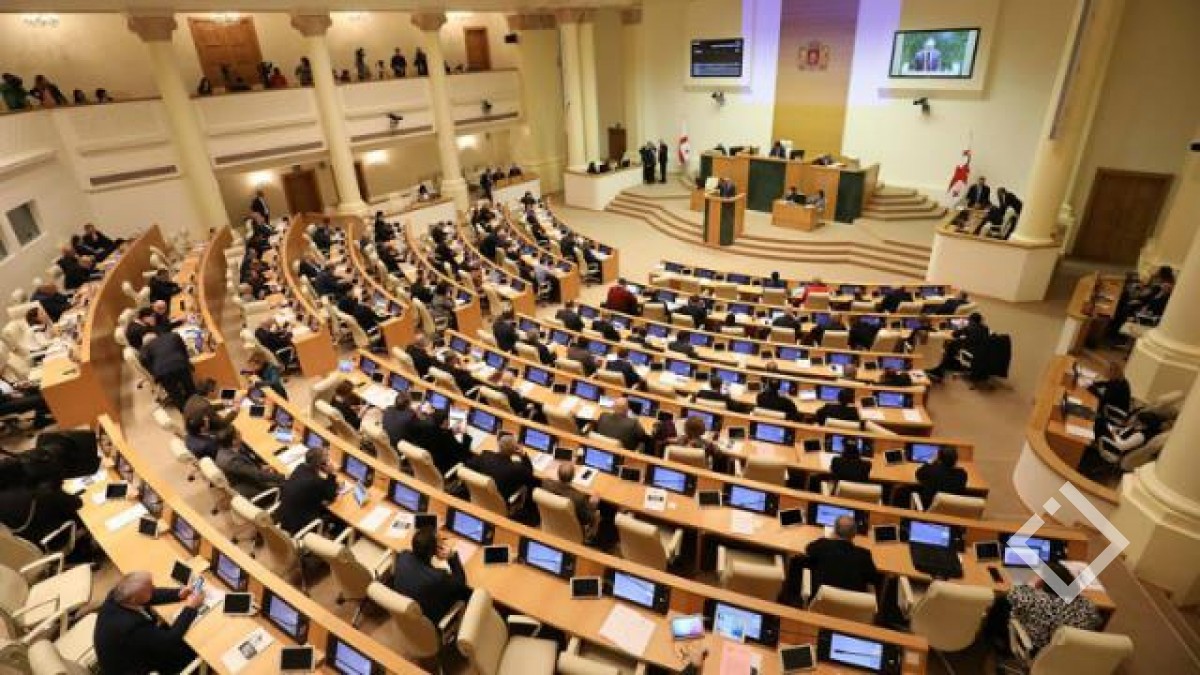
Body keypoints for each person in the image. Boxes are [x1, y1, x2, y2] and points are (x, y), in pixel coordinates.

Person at [95, 571, 203, 675]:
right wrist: (190, 608)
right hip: (132, 668)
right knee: (196, 646)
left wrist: (178, 594)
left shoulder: (117, 595)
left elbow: (149, 596)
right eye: (151, 589)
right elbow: (169, 641)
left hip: (124, 651)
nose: (154, 589)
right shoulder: (133, 628)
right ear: (134, 599)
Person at [985, 561, 1102, 655]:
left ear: (1043, 583)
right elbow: (1097, 622)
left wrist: (1033, 586)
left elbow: (1009, 592)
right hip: (1072, 655)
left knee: (1001, 604)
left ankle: (993, 641)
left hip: (1040, 651)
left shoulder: (1034, 599)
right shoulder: (1088, 605)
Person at [389, 526, 470, 623]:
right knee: (468, 591)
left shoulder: (403, 555)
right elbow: (461, 583)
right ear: (434, 551)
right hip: (431, 616)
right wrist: (452, 557)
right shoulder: (438, 577)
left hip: (408, 608)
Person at [796, 515, 878, 598]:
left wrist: (827, 538)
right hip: (852, 603)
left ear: (834, 530)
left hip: (821, 601)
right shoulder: (864, 554)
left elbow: (808, 549)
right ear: (854, 533)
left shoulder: (822, 545)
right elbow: (873, 579)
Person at [278, 447, 340, 534]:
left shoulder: (300, 467)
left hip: (284, 517)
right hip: (299, 524)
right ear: (322, 465)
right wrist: (331, 474)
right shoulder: (316, 482)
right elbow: (331, 497)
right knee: (335, 517)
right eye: (327, 460)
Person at [463, 434, 536, 502]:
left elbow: (468, 465)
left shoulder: (485, 455)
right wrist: (523, 455)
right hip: (498, 504)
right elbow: (529, 473)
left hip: (478, 497)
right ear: (515, 450)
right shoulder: (516, 469)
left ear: (499, 445)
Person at [215, 427, 283, 498]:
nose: (241, 433)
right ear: (234, 441)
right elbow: (259, 476)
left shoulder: (223, 450)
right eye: (238, 433)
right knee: (287, 483)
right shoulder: (233, 462)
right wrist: (282, 477)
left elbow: (248, 467)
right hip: (253, 487)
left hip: (246, 478)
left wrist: (259, 467)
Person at [926, 312, 989, 381]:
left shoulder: (969, 327)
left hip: (971, 351)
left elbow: (955, 334)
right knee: (953, 345)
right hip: (982, 353)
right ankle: (946, 365)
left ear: (970, 320)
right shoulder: (985, 329)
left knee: (950, 345)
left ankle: (941, 368)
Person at [140, 332, 196, 410]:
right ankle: (198, 407)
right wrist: (187, 361)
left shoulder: (146, 347)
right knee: (190, 388)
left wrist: (154, 373)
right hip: (180, 363)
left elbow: (143, 360)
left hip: (163, 372)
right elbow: (183, 348)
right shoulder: (172, 335)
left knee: (176, 395)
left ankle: (185, 412)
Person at [409, 408, 473, 475]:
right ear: (445, 421)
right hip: (440, 472)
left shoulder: (428, 430)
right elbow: (462, 459)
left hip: (422, 468)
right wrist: (465, 437)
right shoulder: (447, 438)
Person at [542, 462, 600, 531]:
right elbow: (588, 519)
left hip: (552, 522)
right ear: (573, 477)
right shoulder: (578, 498)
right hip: (571, 529)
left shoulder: (546, 483)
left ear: (558, 474)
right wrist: (592, 505)